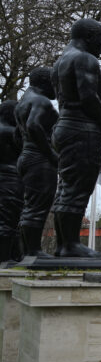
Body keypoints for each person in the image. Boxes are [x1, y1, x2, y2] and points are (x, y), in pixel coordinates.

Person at [50, 18, 101, 258]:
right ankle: (70, 245)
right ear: (88, 36)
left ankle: (63, 245)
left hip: (65, 126)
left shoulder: (60, 61)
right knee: (78, 188)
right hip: (81, 127)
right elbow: (88, 97)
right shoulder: (85, 59)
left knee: (66, 187)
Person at [15, 67, 58, 257]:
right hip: (38, 159)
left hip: (26, 156)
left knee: (29, 205)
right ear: (45, 83)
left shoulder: (22, 103)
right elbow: (34, 125)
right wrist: (51, 154)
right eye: (54, 83)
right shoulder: (41, 101)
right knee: (38, 205)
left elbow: (18, 135)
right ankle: (33, 251)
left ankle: (27, 251)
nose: (57, 89)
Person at [0, 100, 23, 263]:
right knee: (9, 220)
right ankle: (5, 258)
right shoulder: (12, 132)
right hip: (10, 179)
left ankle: (13, 255)